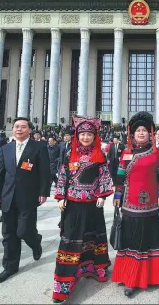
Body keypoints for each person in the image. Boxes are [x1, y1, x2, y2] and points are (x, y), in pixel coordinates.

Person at [52, 116, 113, 303]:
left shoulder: (100, 154)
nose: (86, 137)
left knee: (93, 236)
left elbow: (104, 176)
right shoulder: (69, 152)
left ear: (94, 136)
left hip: (93, 205)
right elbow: (63, 175)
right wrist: (61, 196)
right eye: (83, 134)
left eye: (89, 134)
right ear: (77, 135)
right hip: (73, 204)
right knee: (70, 240)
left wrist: (103, 196)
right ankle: (63, 284)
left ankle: (93, 268)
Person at [0, 117, 51, 284]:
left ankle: (35, 241)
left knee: (23, 231)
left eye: (23, 127)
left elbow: (45, 171)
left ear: (30, 129)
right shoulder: (6, 148)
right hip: (8, 196)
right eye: (16, 126)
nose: (19, 129)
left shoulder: (39, 147)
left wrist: (43, 192)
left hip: (28, 196)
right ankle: (9, 266)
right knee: (8, 234)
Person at [112, 111, 159, 297]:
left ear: (150, 133)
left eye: (145, 130)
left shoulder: (157, 153)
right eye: (138, 131)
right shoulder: (126, 153)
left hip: (151, 203)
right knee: (132, 239)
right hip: (129, 203)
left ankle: (152, 276)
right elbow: (119, 178)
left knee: (149, 238)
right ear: (132, 134)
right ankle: (130, 278)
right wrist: (117, 195)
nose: (141, 133)